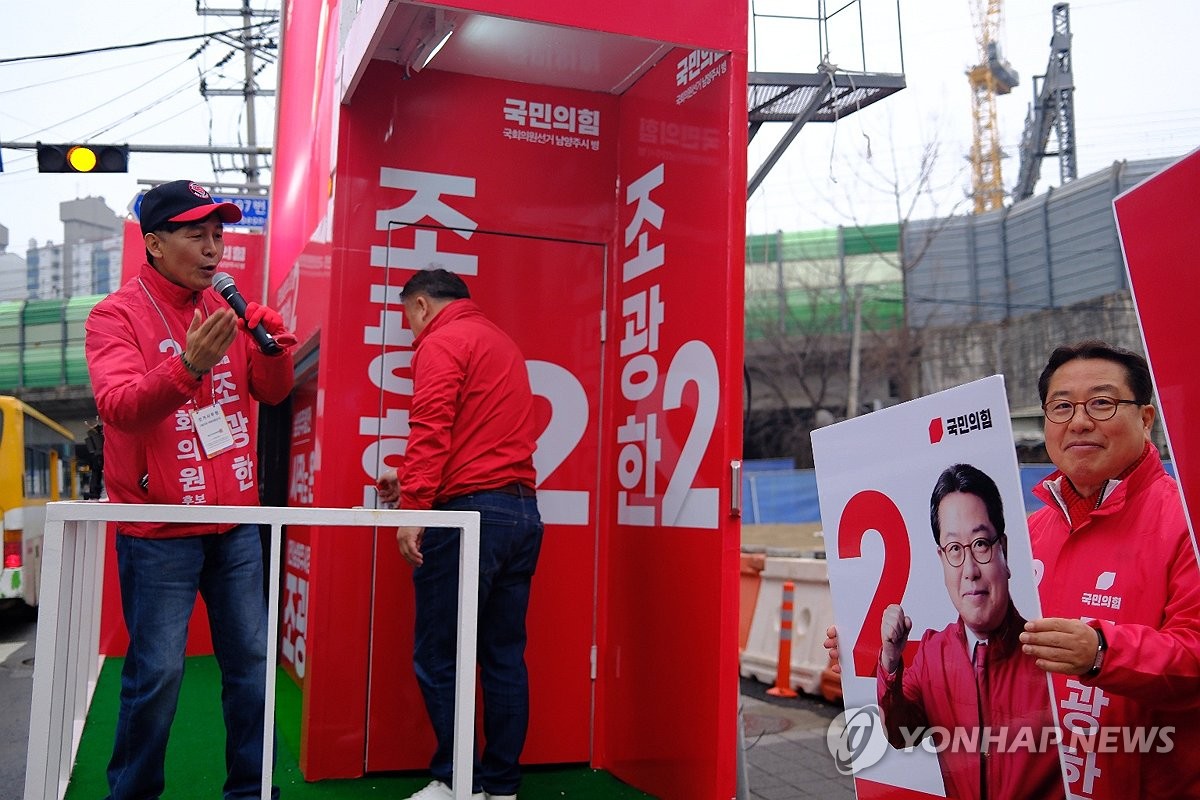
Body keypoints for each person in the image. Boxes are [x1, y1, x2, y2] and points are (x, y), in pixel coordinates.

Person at [85, 179, 296, 800]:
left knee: (252, 669)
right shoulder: (114, 315)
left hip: (234, 523)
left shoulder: (227, 309)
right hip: (158, 530)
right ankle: (133, 793)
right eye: (196, 236)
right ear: (153, 243)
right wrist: (188, 366)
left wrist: (276, 347)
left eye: (217, 236)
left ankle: (253, 793)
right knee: (157, 674)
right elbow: (118, 407)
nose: (213, 250)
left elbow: (274, 393)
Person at [375, 268, 543, 800]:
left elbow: (432, 424)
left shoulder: (441, 341)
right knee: (502, 654)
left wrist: (414, 507)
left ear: (421, 305)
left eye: (408, 319)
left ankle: (455, 780)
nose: (410, 333)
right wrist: (409, 478)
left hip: (469, 517)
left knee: (440, 653)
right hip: (520, 513)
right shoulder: (499, 342)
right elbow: (479, 438)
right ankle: (500, 786)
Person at [1018, 340, 1200, 800]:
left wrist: (1102, 651)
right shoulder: (1023, 533)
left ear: (1145, 418)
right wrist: (884, 660)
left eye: (1101, 402)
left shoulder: (1187, 522)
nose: (1079, 421)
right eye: (1061, 406)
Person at [872, 464, 1063, 799]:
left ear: (1003, 548)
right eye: (955, 550)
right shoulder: (934, 653)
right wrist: (888, 662)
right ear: (942, 559)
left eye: (980, 544)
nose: (971, 571)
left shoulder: (1054, 654)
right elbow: (902, 733)